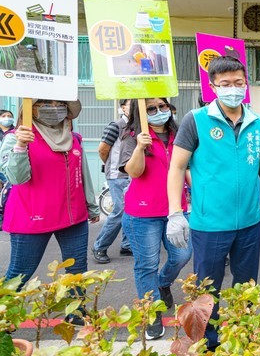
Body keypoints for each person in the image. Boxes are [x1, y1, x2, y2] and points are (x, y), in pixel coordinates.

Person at [166, 56, 260, 350]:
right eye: (225, 84)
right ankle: (209, 343)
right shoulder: (196, 120)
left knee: (246, 287)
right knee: (208, 289)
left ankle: (242, 338)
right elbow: (177, 167)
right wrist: (175, 213)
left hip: (250, 222)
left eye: (238, 83)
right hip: (210, 223)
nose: (233, 89)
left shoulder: (258, 122)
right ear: (213, 86)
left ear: (246, 84)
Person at [1, 99, 100, 311]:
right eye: (46, 103)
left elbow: (82, 174)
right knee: (20, 272)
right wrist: (20, 146)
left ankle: (75, 313)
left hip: (73, 216)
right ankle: (4, 318)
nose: (54, 108)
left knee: (76, 270)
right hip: (32, 216)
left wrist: (91, 205)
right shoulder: (14, 139)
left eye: (59, 104)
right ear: (31, 108)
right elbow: (17, 178)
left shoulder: (74, 139)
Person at [119, 98, 192, 340]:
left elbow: (187, 167)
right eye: (151, 108)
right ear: (141, 112)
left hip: (176, 210)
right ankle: (151, 313)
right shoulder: (132, 136)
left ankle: (162, 283)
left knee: (182, 255)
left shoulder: (179, 133)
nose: (158, 112)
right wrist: (140, 147)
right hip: (142, 214)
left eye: (162, 106)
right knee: (146, 265)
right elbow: (134, 172)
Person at [92, 99, 132, 263]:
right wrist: (110, 166)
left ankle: (127, 245)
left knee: (131, 210)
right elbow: (102, 150)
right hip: (117, 175)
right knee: (120, 210)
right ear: (123, 108)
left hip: (133, 175)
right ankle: (99, 246)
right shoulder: (115, 125)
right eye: (132, 104)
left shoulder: (139, 126)